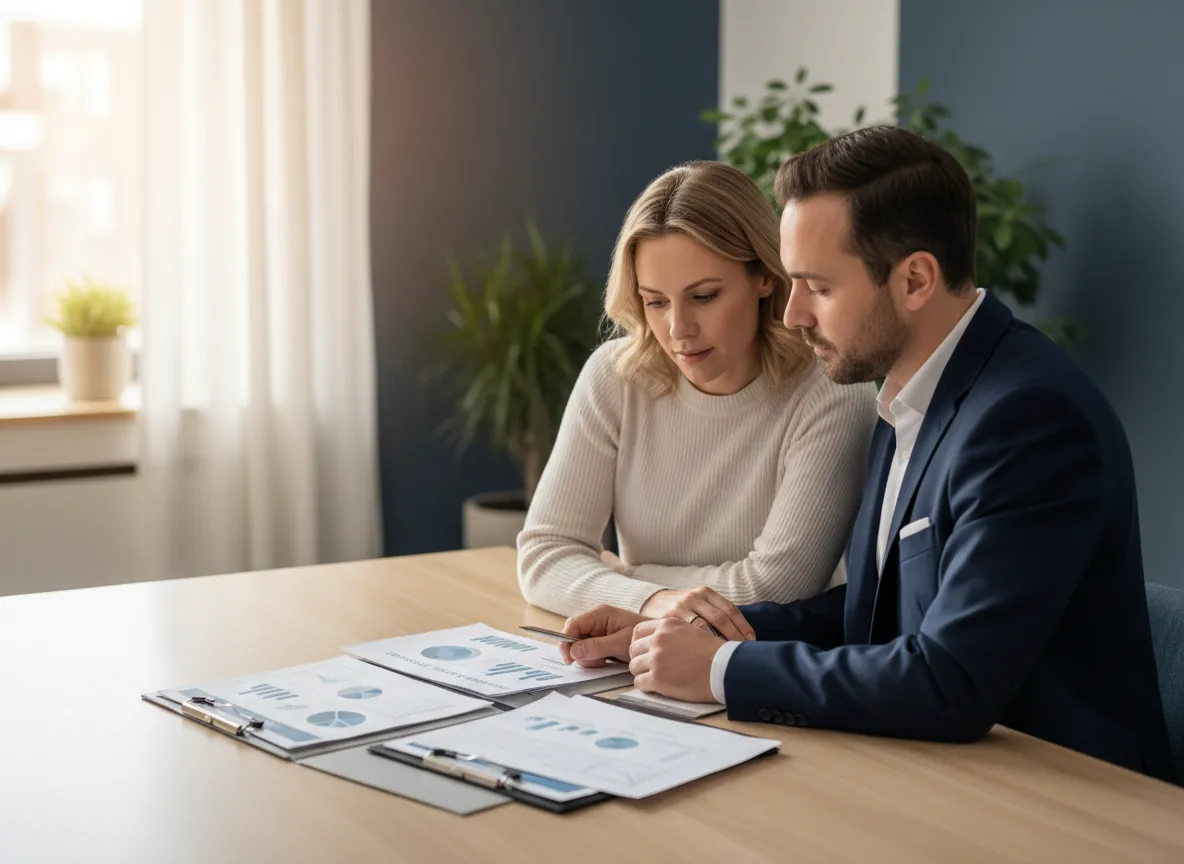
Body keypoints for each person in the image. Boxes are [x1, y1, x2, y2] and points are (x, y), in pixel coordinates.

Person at [559, 127, 1174, 780]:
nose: (792, 314)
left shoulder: (1029, 419)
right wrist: (677, 635)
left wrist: (718, 668)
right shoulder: (908, 388)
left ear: (914, 279)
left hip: (1070, 796)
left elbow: (951, 680)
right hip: (942, 768)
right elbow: (870, 618)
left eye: (817, 288)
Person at [516, 161, 877, 635]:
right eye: (655, 301)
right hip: (641, 650)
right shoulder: (615, 376)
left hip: (758, 663)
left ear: (765, 276)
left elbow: (778, 588)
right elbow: (545, 555)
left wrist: (622, 579)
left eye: (704, 296)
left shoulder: (830, 391)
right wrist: (654, 599)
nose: (678, 330)